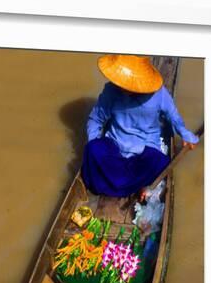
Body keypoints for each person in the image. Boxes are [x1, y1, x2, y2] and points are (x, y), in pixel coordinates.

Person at [81, 54, 199, 197]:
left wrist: (186, 135)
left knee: (158, 162)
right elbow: (95, 119)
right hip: (115, 144)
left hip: (144, 150)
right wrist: (94, 141)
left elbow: (173, 116)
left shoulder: (159, 94)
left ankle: (122, 184)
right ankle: (131, 185)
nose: (122, 87)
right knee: (92, 149)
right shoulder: (111, 91)